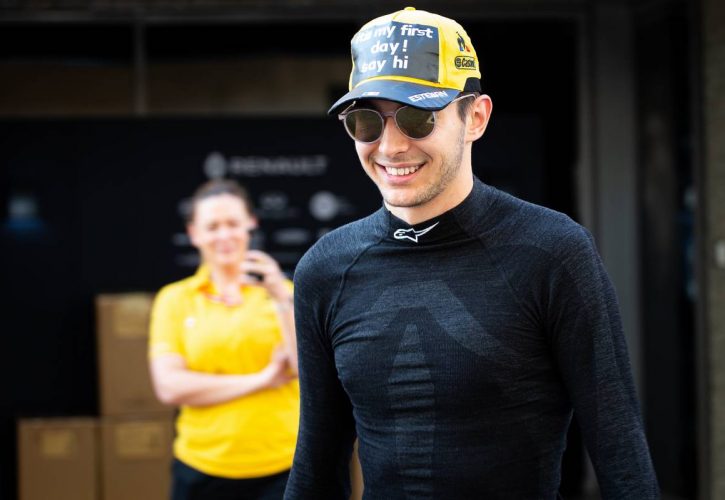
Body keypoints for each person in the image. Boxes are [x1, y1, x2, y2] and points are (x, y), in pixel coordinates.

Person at [284, 6, 659, 499]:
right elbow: (316, 462)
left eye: (417, 117)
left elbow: (620, 451)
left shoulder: (552, 250)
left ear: (475, 118)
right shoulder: (325, 268)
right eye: (365, 121)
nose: (390, 146)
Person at [148, 178, 299, 500]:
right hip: (201, 467)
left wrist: (279, 297)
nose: (224, 235)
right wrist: (262, 379)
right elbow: (170, 387)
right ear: (194, 234)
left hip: (283, 466)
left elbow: (305, 369)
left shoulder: (286, 294)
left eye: (232, 223)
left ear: (250, 224)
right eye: (212, 226)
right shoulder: (174, 299)